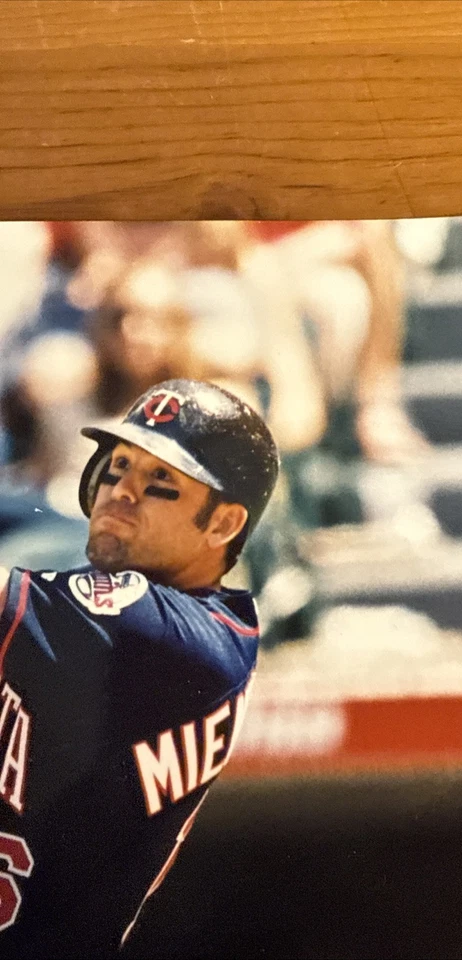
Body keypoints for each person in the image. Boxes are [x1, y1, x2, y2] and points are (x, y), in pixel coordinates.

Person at [0, 377, 279, 958]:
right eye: (118, 465)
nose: (122, 490)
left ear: (224, 524)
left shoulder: (167, 633)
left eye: (161, 483)